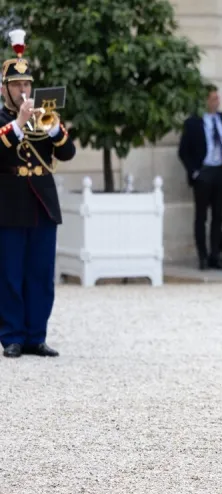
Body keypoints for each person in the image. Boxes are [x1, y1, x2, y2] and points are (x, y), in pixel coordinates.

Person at [0, 29, 77, 358]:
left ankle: (36, 336)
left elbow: (68, 153)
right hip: (10, 205)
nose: (23, 90)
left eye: (27, 85)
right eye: (17, 85)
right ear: (5, 89)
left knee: (41, 274)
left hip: (43, 205)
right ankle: (12, 336)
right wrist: (17, 125)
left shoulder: (46, 117)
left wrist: (56, 129)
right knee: (10, 274)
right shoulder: (4, 120)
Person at [178, 84, 222, 271]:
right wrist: (194, 171)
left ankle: (215, 255)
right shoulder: (193, 122)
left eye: (217, 98)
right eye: (212, 99)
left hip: (221, 169)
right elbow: (183, 151)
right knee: (201, 216)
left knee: (218, 215)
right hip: (204, 171)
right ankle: (202, 256)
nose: (216, 102)